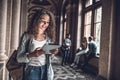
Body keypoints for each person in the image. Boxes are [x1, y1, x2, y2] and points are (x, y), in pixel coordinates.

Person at [16, 9, 58, 80]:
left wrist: (52, 53)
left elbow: (49, 57)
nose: (45, 24)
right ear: (36, 20)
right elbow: (19, 58)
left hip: (46, 70)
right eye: (43, 21)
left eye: (48, 22)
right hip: (31, 71)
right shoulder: (27, 36)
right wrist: (32, 54)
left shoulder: (48, 38)